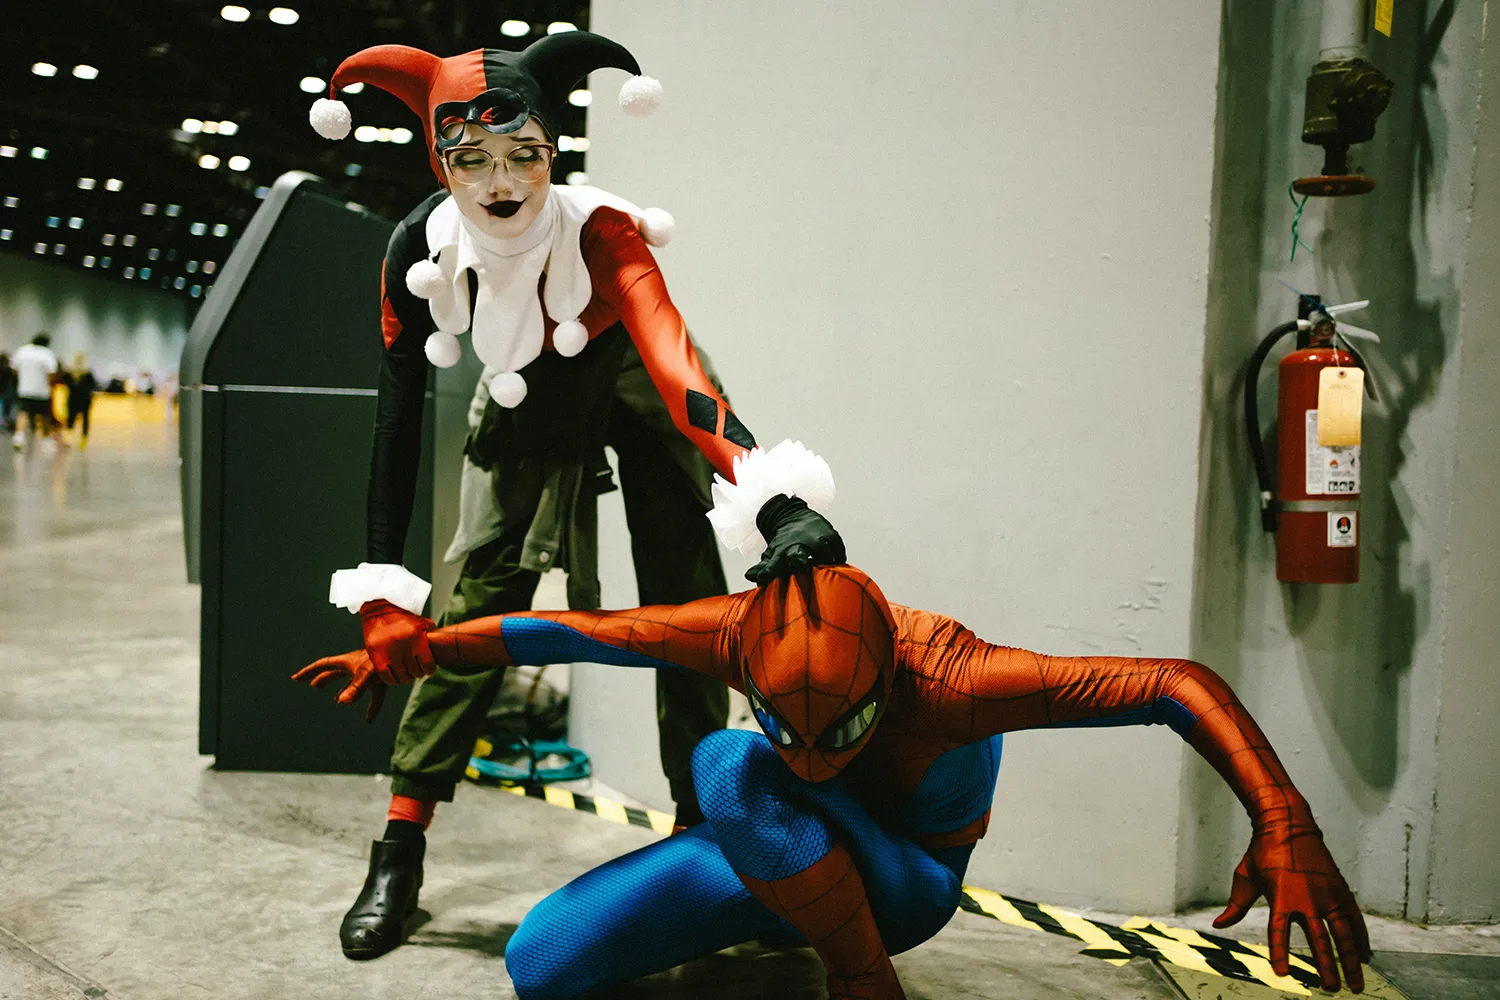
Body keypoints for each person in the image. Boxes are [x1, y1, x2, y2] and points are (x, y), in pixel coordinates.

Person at [308, 31, 845, 960]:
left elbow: (678, 370)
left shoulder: (604, 232)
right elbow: (396, 424)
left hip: (633, 370)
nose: (500, 182)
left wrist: (773, 501)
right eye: (469, 158)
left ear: (554, 150)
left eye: (524, 153)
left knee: (690, 607)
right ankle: (399, 848)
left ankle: (703, 842)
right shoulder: (417, 251)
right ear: (437, 160)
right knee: (480, 604)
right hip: (527, 385)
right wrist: (384, 591)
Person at [298, 564, 1371, 1000]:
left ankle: (862, 982)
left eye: (843, 731)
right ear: (750, 666)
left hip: (904, 883)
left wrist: (1286, 820)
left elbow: (1174, 682)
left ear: (887, 682)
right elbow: (573, 630)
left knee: (729, 763)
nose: (816, 755)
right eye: (792, 727)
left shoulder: (955, 679)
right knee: (541, 966)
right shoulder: (731, 628)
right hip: (774, 841)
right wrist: (421, 648)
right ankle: (786, 911)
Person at [11, 334, 61, 451]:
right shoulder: (47, 353)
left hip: (24, 390)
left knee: (23, 413)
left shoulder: (22, 351)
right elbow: (51, 373)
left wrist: (22, 380)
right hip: (42, 391)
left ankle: (19, 437)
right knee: (45, 415)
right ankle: (46, 440)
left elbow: (14, 368)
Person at [63, 354, 98, 448]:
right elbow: (94, 386)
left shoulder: (69, 373)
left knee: (71, 419)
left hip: (73, 398)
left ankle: (68, 439)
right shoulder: (88, 373)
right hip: (85, 399)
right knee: (85, 420)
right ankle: (83, 441)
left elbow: (65, 383)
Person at [0, 353, 17, 434]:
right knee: (7, 409)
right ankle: (6, 424)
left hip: (5, 391)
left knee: (4, 408)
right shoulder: (9, 370)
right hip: (7, 391)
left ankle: (4, 424)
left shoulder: (7, 370)